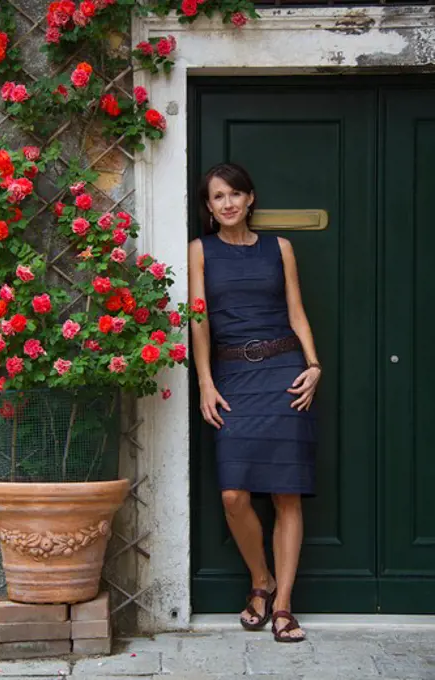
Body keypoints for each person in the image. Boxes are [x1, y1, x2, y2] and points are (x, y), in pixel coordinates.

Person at [188, 163, 321, 643]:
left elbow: (296, 310)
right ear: (209, 207)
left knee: (287, 493)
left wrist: (314, 364)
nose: (226, 204)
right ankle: (259, 580)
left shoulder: (279, 248)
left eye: (234, 195)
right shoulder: (199, 252)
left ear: (250, 199)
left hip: (285, 373)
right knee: (233, 495)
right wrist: (204, 380)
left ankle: (282, 603)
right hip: (233, 376)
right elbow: (198, 319)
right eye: (217, 197)